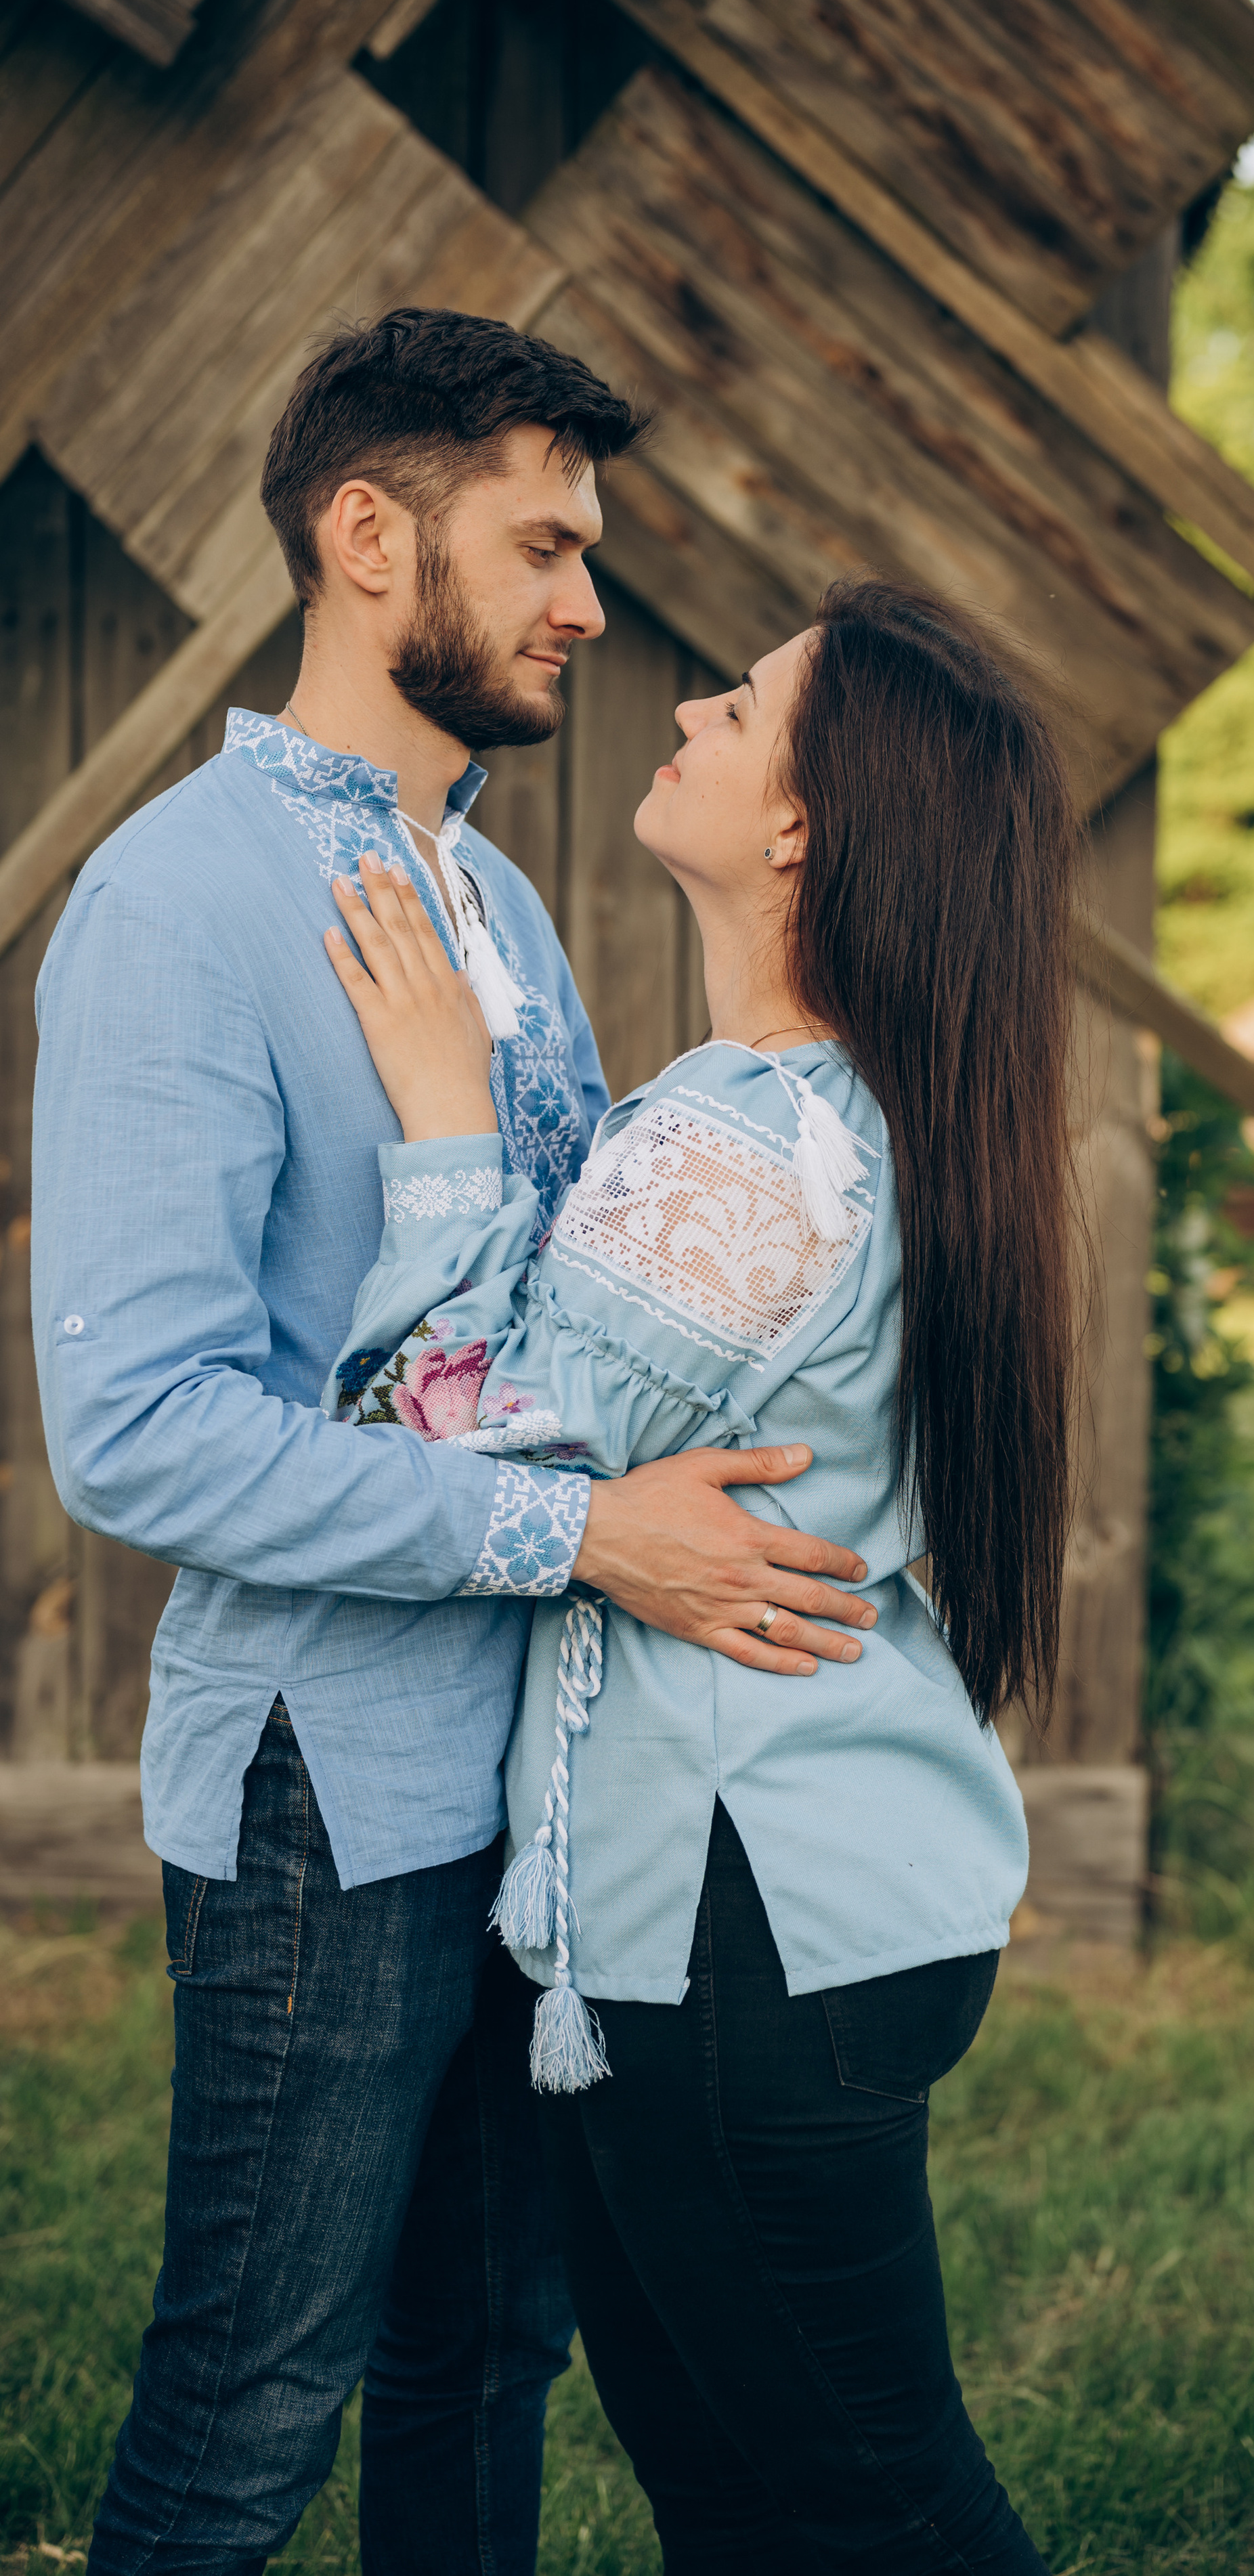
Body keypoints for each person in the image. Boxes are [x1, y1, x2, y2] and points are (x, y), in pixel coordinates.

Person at [30, 309, 875, 2576]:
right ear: (367, 533)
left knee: (487, 2356)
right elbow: (137, 1437)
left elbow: (538, 1328)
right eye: (544, 545)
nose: (589, 603)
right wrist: (576, 1535)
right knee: (244, 2409)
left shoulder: (498, 902)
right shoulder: (181, 905)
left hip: (533, 1791)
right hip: (327, 1776)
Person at [317, 574, 1078, 2571]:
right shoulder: (854, 1109)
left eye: (741, 708)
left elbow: (460, 1439)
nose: (688, 713)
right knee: (739, 2497)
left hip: (746, 1930)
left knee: (865, 2499)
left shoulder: (746, 1139)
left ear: (807, 824)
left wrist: (446, 1126)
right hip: (789, 1909)